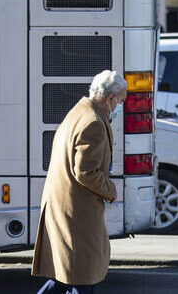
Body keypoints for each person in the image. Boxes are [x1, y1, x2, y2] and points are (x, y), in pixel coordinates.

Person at [32, 70, 126, 294]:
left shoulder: (78, 112)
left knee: (68, 274)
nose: (121, 106)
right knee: (82, 274)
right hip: (77, 212)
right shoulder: (93, 123)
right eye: (121, 100)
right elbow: (85, 171)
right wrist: (110, 190)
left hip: (65, 206)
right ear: (110, 99)